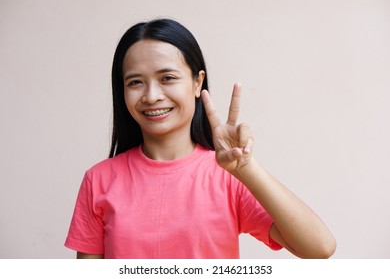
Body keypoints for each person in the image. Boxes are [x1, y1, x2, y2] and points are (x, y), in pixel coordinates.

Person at [65, 18, 336, 259]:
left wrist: (246, 168)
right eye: (135, 82)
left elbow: (319, 248)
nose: (151, 96)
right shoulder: (98, 180)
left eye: (167, 78)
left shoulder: (228, 176)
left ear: (197, 82)